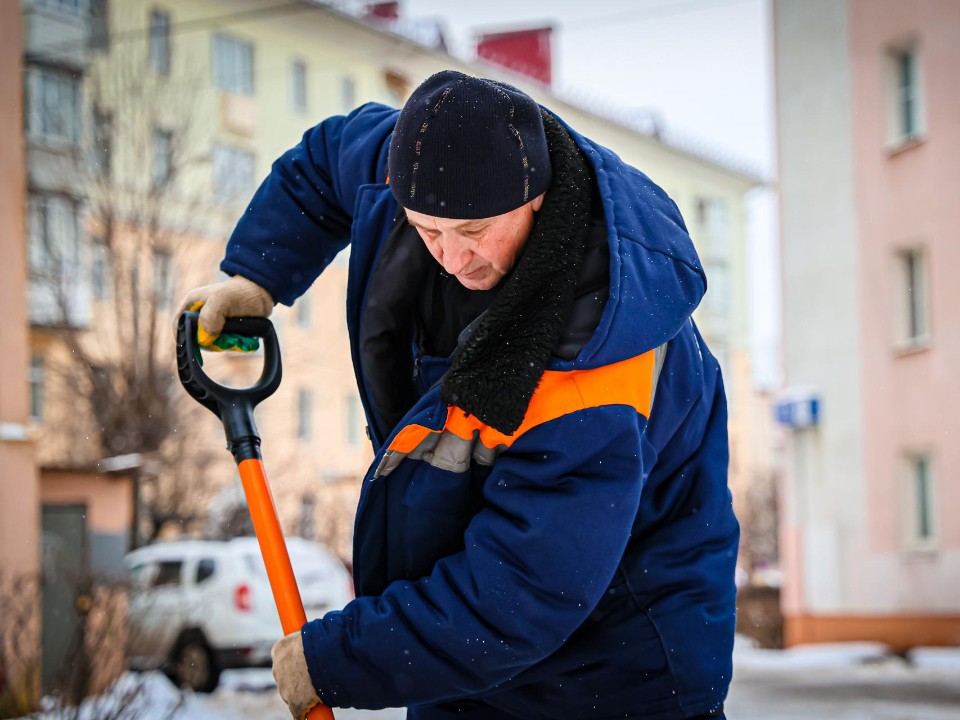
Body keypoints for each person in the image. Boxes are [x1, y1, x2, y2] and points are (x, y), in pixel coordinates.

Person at [176, 71, 738, 720]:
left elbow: (524, 592)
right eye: (428, 231)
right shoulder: (416, 172)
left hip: (616, 676)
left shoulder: (599, 363)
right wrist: (258, 276)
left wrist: (341, 659)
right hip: (463, 659)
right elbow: (325, 159)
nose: (452, 258)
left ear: (536, 196)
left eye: (473, 232)